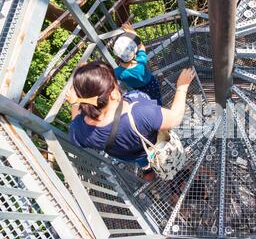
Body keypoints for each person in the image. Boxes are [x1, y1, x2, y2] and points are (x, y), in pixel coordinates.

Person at [66, 61, 195, 180]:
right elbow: (175, 117)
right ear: (113, 94)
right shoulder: (140, 113)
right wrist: (181, 88)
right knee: (149, 154)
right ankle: (155, 166)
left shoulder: (82, 131)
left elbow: (75, 122)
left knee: (142, 160)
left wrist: (76, 103)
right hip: (154, 145)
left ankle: (147, 170)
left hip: (130, 155)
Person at [113, 23, 162, 106]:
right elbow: (141, 46)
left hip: (138, 91)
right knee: (157, 98)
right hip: (151, 84)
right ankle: (159, 108)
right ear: (134, 53)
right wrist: (133, 33)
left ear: (117, 55)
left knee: (147, 102)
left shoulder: (117, 72)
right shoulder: (140, 61)